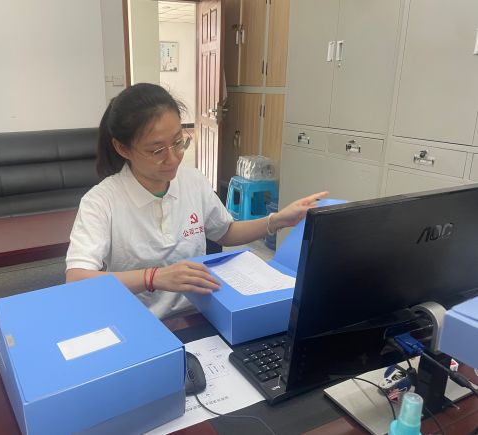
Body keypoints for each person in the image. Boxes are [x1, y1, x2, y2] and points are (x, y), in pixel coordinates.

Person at [66, 83, 327, 319]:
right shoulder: (101, 202)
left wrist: (277, 220)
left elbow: (225, 232)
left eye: (178, 142)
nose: (173, 158)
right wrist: (153, 277)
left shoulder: (192, 181)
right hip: (140, 322)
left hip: (202, 314)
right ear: (122, 148)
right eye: (157, 150)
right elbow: (76, 279)